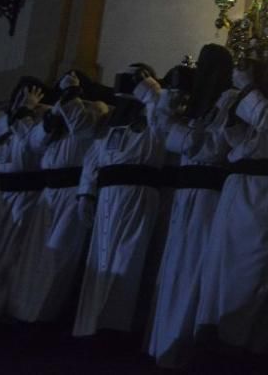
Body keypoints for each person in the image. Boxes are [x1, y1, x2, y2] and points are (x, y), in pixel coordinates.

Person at [195, 33, 268, 357]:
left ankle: (247, 343)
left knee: (256, 266)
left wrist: (247, 91)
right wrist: (232, 117)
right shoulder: (256, 94)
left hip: (267, 190)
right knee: (223, 265)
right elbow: (229, 140)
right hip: (238, 187)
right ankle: (218, 337)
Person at [149, 44, 237, 367]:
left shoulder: (228, 102)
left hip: (208, 198)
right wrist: (170, 99)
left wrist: (182, 133)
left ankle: (185, 344)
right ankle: (166, 342)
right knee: (175, 265)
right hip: (186, 195)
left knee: (195, 266)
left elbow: (209, 147)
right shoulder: (195, 106)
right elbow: (164, 133)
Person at [73, 63, 175, 337]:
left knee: (127, 259)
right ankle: (93, 323)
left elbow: (162, 116)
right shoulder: (113, 122)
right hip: (107, 196)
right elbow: (93, 158)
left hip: (137, 194)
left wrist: (149, 87)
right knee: (101, 259)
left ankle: (117, 328)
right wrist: (86, 192)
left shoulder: (155, 114)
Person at [9, 71, 111, 323]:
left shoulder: (96, 108)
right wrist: (48, 123)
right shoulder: (54, 110)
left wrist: (71, 98)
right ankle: (25, 311)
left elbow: (83, 127)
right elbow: (33, 143)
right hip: (49, 190)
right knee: (37, 254)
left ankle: (45, 315)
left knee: (60, 253)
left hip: (72, 190)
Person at [0, 77, 48, 323]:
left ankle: (10, 311)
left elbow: (34, 145)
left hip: (27, 196)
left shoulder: (41, 118)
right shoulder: (9, 119)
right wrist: (13, 115)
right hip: (4, 197)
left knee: (15, 252)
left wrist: (27, 112)